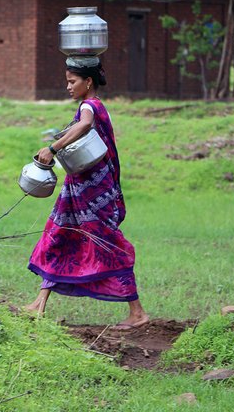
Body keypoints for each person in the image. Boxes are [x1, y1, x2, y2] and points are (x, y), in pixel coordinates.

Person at [25, 59, 148, 328]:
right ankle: (39, 303)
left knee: (108, 243)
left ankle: (137, 312)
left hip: (94, 194)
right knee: (59, 234)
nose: (68, 86)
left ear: (88, 82)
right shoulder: (94, 106)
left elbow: (84, 126)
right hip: (79, 188)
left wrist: (52, 148)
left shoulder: (89, 106)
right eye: (68, 81)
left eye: (73, 81)